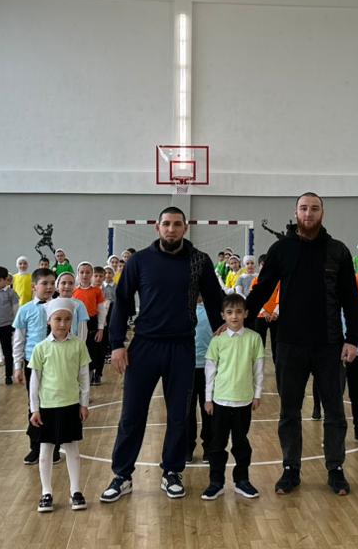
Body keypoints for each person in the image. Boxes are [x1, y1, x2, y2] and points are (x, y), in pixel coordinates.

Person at [101, 207, 226, 503]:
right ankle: (122, 475)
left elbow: (215, 300)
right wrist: (116, 343)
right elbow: (122, 301)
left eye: (177, 224)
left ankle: (172, 471)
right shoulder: (139, 261)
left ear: (185, 228)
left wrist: (226, 336)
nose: (171, 229)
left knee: (179, 416)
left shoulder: (199, 261)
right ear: (157, 227)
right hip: (144, 346)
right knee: (132, 414)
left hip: (182, 346)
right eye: (166, 224)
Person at [245, 193, 358, 496]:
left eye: (314, 208)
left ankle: (335, 469)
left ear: (322, 212)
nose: (308, 213)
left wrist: (352, 339)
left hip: (329, 344)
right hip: (289, 344)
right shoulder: (281, 249)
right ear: (295, 212)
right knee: (289, 411)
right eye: (303, 208)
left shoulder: (338, 251)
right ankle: (290, 469)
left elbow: (351, 299)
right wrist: (238, 320)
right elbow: (261, 290)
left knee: (334, 411)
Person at [28, 298, 92, 512]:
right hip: (47, 407)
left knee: (73, 450)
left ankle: (76, 491)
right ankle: (46, 492)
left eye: (67, 319)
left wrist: (84, 403)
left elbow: (84, 377)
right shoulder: (41, 348)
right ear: (49, 320)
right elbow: (34, 381)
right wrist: (35, 409)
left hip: (71, 405)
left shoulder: (79, 345)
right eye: (58, 319)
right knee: (45, 451)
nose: (63, 324)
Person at [201, 294, 266, 500]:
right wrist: (208, 398)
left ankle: (242, 481)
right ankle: (216, 482)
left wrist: (257, 394)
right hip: (220, 401)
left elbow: (258, 370)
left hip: (244, 401)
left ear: (246, 313)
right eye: (229, 312)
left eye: (238, 312)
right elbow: (210, 371)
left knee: (241, 443)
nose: (234, 316)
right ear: (223, 315)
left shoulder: (254, 339)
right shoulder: (217, 340)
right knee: (217, 444)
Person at [311, 297, 358, 444]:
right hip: (332, 357)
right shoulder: (325, 301)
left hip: (356, 355)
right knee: (333, 397)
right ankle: (332, 436)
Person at [14, 268, 60, 465]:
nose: (49, 287)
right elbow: (19, 339)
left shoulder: (60, 307)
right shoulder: (25, 310)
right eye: (44, 283)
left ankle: (54, 447)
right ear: (34, 287)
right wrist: (17, 365)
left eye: (52, 283)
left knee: (55, 404)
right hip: (33, 363)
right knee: (34, 404)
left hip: (57, 362)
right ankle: (35, 446)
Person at [186, 303, 215, 464]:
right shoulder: (183, 308)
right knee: (187, 411)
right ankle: (187, 448)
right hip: (187, 368)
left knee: (209, 411)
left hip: (208, 369)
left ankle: (209, 448)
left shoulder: (212, 310)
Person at [73, 263, 108, 385]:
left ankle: (92, 376)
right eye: (82, 272)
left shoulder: (96, 291)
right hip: (77, 325)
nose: (85, 275)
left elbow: (102, 311)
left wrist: (100, 329)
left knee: (93, 352)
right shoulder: (74, 291)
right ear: (78, 274)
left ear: (91, 274)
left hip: (92, 324)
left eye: (88, 272)